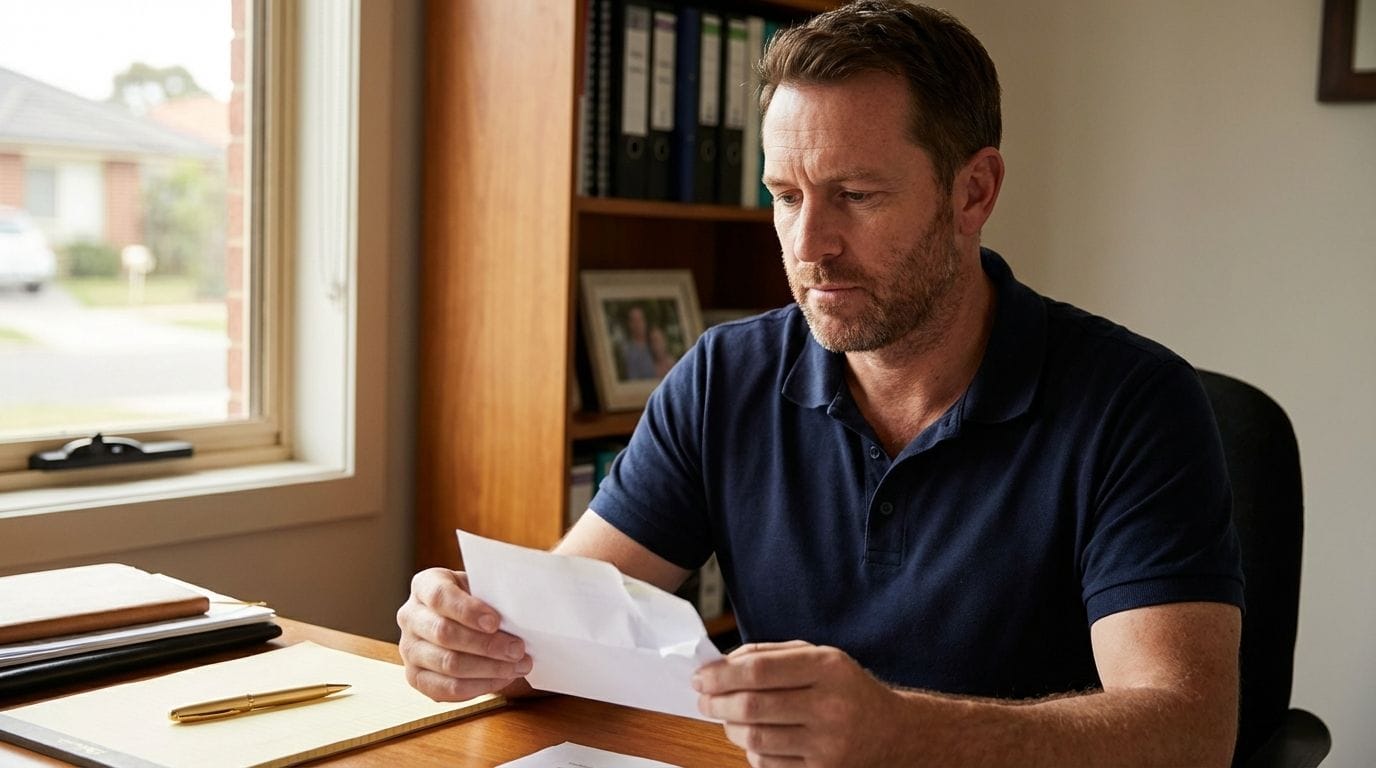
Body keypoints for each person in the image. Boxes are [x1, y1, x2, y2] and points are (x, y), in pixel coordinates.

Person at [397, 2, 1244, 765]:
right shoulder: (724, 378)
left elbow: (1190, 731)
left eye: (856, 195)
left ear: (974, 192)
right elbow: (556, 637)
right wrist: (474, 640)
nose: (809, 245)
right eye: (785, 195)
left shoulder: (1136, 406)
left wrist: (902, 734)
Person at [617, 305, 657, 380]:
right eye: (634, 321)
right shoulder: (625, 350)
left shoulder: (654, 344)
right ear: (630, 324)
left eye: (640, 320)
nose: (638, 324)